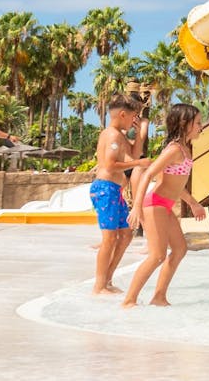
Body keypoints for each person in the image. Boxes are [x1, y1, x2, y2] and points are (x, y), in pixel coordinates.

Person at [122, 104, 206, 307]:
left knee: (179, 249)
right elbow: (149, 174)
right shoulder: (174, 150)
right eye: (198, 123)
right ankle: (128, 301)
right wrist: (136, 206)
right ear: (184, 124)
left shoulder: (186, 149)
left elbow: (176, 185)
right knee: (157, 254)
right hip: (155, 204)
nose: (201, 127)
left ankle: (159, 297)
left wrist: (194, 203)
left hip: (165, 205)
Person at [89, 95, 150, 294]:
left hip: (115, 191)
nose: (135, 120)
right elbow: (109, 165)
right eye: (133, 116)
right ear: (123, 114)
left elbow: (133, 155)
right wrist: (138, 164)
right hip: (105, 189)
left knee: (125, 234)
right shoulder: (112, 135)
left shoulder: (121, 135)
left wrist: (140, 133)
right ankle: (99, 286)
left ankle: (107, 280)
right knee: (109, 239)